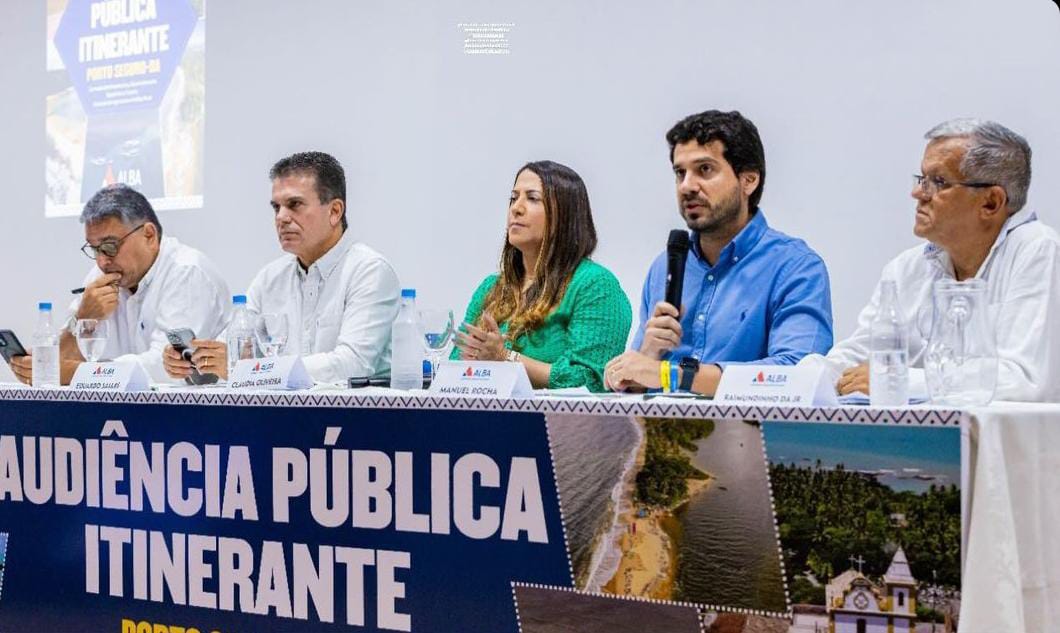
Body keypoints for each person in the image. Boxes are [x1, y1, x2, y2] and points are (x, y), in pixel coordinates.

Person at [803, 119, 1060, 402]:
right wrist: (808, 377)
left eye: (938, 182)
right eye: (921, 178)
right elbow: (861, 354)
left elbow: (1025, 381)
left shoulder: (1038, 251)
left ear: (991, 202)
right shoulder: (906, 268)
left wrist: (897, 379)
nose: (918, 193)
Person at [605, 110, 833, 395]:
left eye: (705, 169)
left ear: (749, 180)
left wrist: (673, 375)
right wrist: (644, 359)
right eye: (680, 173)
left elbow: (797, 375)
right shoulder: (664, 267)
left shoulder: (796, 267)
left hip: (751, 425)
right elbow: (641, 382)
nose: (687, 186)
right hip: (660, 425)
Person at [163, 151, 400, 384]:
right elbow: (231, 351)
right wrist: (197, 363)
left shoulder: (370, 271)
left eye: (294, 204)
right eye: (276, 207)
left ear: (335, 211)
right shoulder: (270, 278)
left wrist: (252, 369)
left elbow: (353, 364)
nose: (281, 218)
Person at [10, 184, 230, 385]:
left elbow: (167, 370)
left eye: (110, 246)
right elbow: (58, 363)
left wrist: (74, 374)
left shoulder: (186, 271)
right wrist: (83, 317)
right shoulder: (101, 275)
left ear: (149, 235)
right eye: (94, 249)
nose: (102, 261)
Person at [452, 160, 632, 392]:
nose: (516, 208)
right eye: (513, 198)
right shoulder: (491, 287)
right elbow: (454, 365)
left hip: (558, 416)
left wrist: (505, 358)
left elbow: (591, 379)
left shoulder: (595, 285)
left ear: (564, 215)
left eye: (532, 198)